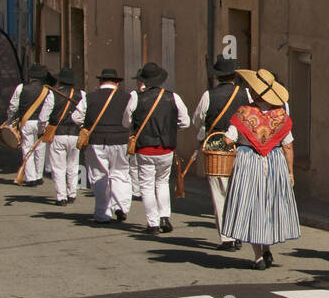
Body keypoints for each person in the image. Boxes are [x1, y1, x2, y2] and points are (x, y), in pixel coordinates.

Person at [220, 68, 301, 270]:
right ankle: (266, 249)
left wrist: (234, 140)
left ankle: (258, 256)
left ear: (255, 92)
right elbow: (288, 146)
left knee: (252, 205)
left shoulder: (243, 113)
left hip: (248, 162)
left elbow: (229, 138)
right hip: (275, 162)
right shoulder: (280, 115)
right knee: (269, 205)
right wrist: (290, 172)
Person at [122, 62, 190, 234]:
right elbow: (185, 122)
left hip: (144, 148)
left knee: (146, 185)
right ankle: (165, 217)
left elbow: (126, 122)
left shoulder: (137, 97)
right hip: (166, 148)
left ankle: (152, 223)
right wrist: (170, 129)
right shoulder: (173, 97)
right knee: (162, 183)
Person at [192, 56, 250, 250]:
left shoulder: (209, 95)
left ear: (218, 77)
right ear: (235, 75)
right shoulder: (246, 95)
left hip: (217, 149)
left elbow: (197, 119)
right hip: (241, 149)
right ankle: (240, 232)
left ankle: (227, 238)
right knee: (239, 194)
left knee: (220, 194)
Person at [76, 69, 131, 224]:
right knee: (120, 174)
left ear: (100, 82)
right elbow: (130, 118)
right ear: (117, 83)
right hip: (120, 140)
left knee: (99, 176)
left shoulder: (89, 97)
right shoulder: (127, 97)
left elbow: (76, 117)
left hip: (96, 140)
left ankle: (102, 213)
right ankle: (121, 206)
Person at [7, 64, 54, 187]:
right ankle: (39, 176)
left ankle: (30, 177)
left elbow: (13, 105)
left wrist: (10, 119)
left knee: (27, 149)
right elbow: (49, 107)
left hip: (26, 122)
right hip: (42, 122)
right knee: (40, 149)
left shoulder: (21, 87)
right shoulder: (47, 90)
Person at [46, 68, 83, 205]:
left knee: (58, 167)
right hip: (75, 133)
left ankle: (61, 196)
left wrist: (43, 129)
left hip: (58, 133)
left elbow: (45, 115)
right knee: (73, 166)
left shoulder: (53, 94)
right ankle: (72, 193)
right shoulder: (82, 94)